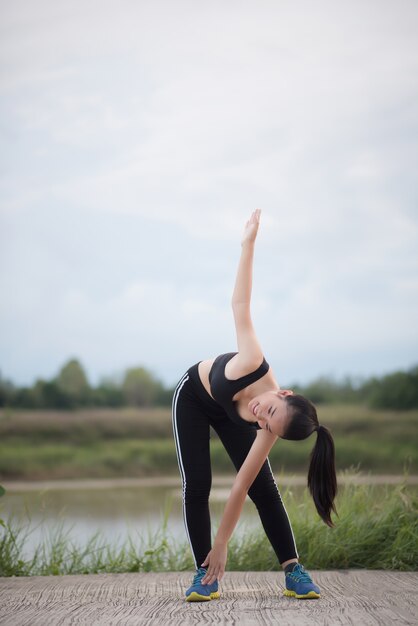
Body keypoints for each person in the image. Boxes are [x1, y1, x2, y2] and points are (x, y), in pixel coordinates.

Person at [172, 209, 337, 602]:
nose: (263, 418)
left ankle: (293, 570)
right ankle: (205, 575)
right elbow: (239, 305)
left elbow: (240, 487)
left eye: (270, 428)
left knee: (264, 488)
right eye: (270, 412)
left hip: (225, 413)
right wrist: (247, 245)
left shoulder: (268, 427)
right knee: (197, 485)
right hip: (193, 398)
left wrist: (225, 540)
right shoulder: (252, 362)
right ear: (283, 393)